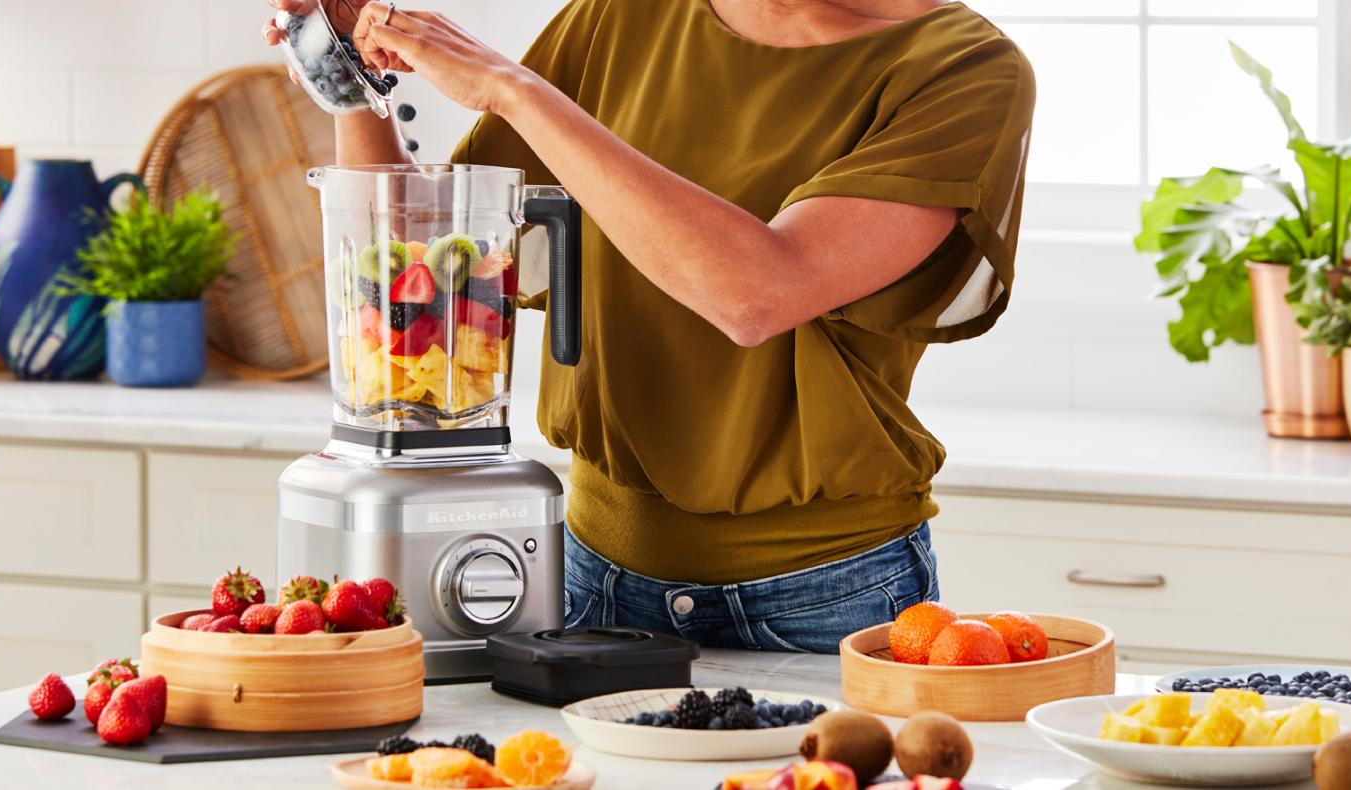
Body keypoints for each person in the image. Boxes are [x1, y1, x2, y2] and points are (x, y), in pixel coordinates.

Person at [264, 0, 1034, 653]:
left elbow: (759, 293)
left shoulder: (963, 69)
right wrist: (336, 63)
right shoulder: (625, 13)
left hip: (826, 599)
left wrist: (515, 90)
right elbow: (430, 261)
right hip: (587, 577)